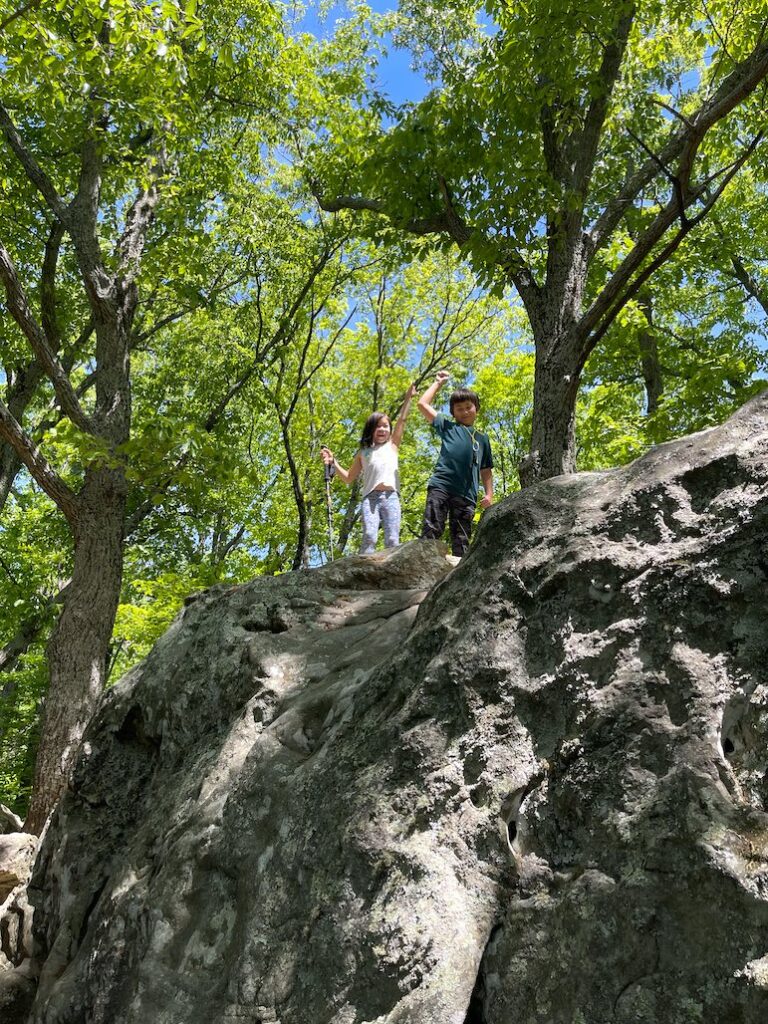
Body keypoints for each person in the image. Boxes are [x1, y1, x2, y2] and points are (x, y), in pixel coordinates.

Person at [321, 384, 417, 554]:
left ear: (390, 430)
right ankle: (364, 570)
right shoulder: (363, 453)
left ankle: (391, 572)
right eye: (377, 426)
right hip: (370, 498)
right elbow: (349, 477)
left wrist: (408, 398)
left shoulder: (393, 445)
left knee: (393, 539)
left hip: (391, 497)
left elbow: (402, 419)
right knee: (369, 536)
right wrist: (333, 462)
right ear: (371, 430)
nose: (382, 429)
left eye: (385, 426)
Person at [417, 370, 494, 557]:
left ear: (476, 408)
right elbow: (422, 404)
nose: (465, 411)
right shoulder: (448, 427)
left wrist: (489, 494)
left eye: (469, 407)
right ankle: (423, 565)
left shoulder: (482, 439)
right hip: (441, 486)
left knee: (462, 538)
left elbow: (486, 470)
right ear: (453, 413)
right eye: (459, 408)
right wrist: (438, 383)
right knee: (432, 528)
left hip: (466, 495)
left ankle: (459, 578)